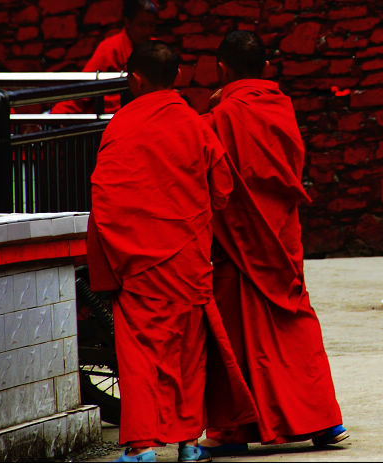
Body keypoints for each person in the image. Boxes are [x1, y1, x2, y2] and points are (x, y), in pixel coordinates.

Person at [86, 41, 257, 462]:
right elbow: (222, 190)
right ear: (178, 76)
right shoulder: (196, 124)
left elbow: (105, 195)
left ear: (134, 80)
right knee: (187, 353)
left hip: (137, 259)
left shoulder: (121, 126)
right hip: (187, 256)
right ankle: (189, 442)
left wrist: (119, 251)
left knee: (140, 354)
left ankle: (143, 445)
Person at [199, 30, 347, 454]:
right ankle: (323, 420)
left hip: (239, 238)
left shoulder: (220, 117)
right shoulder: (281, 107)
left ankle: (233, 430)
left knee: (235, 329)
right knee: (293, 321)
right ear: (265, 68)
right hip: (280, 235)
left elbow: (208, 171)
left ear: (222, 69)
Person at [51, 0, 159, 114]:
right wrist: (55, 115)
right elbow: (84, 87)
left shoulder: (157, 51)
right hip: (114, 117)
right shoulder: (111, 48)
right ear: (128, 23)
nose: (147, 31)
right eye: (141, 25)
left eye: (151, 25)